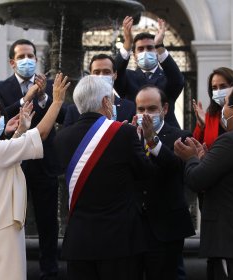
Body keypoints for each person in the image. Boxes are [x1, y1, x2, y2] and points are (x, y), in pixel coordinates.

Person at [0, 73, 69, 280]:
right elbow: (41, 134)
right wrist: (58, 101)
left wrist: (19, 132)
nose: (0, 120)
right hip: (0, 232)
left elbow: (3, 158)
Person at [54, 75, 154, 280]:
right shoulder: (124, 132)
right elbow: (146, 173)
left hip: (79, 242)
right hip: (119, 241)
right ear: (105, 102)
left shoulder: (61, 138)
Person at [0, 39, 66, 279]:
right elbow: (1, 117)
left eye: (31, 56)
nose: (27, 60)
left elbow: (64, 114)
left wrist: (44, 98)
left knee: (47, 221)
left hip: (44, 162)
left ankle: (49, 269)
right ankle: (12, 268)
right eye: (22, 56)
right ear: (12, 62)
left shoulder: (49, 84)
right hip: (15, 163)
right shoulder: (0, 86)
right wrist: (27, 97)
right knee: (14, 220)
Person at [174, 82, 233, 280]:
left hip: (229, 243)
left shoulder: (230, 141)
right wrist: (205, 161)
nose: (223, 110)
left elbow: (197, 180)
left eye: (226, 104)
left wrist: (192, 159)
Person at [133, 85, 195, 279]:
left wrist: (152, 140)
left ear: (165, 109)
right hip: (133, 228)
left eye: (151, 109)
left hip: (166, 228)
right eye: (141, 109)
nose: (146, 114)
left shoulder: (181, 136)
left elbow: (174, 168)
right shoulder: (130, 136)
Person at [115, 16, 184, 128]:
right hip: (135, 134)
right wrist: (127, 43)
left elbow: (178, 80)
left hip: (167, 134)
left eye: (150, 48)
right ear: (135, 55)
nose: (145, 52)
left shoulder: (167, 77)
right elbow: (114, 73)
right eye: (141, 49)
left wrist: (159, 45)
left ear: (156, 51)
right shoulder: (127, 77)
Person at [63, 54, 135, 126]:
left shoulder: (129, 107)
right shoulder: (74, 110)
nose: (101, 76)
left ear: (115, 75)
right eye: (96, 72)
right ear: (90, 74)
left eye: (106, 72)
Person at [192, 67, 233, 149]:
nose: (218, 91)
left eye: (223, 86)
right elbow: (196, 146)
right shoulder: (210, 117)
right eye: (214, 88)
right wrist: (201, 126)